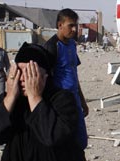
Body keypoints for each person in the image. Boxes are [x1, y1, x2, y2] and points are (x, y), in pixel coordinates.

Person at [44, 8, 88, 150]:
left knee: (81, 139)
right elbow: (45, 79)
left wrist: (82, 100)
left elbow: (74, 74)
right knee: (63, 139)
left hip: (74, 98)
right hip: (59, 102)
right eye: (71, 25)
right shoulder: (51, 47)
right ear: (60, 25)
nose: (74, 29)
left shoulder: (72, 45)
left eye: (75, 25)